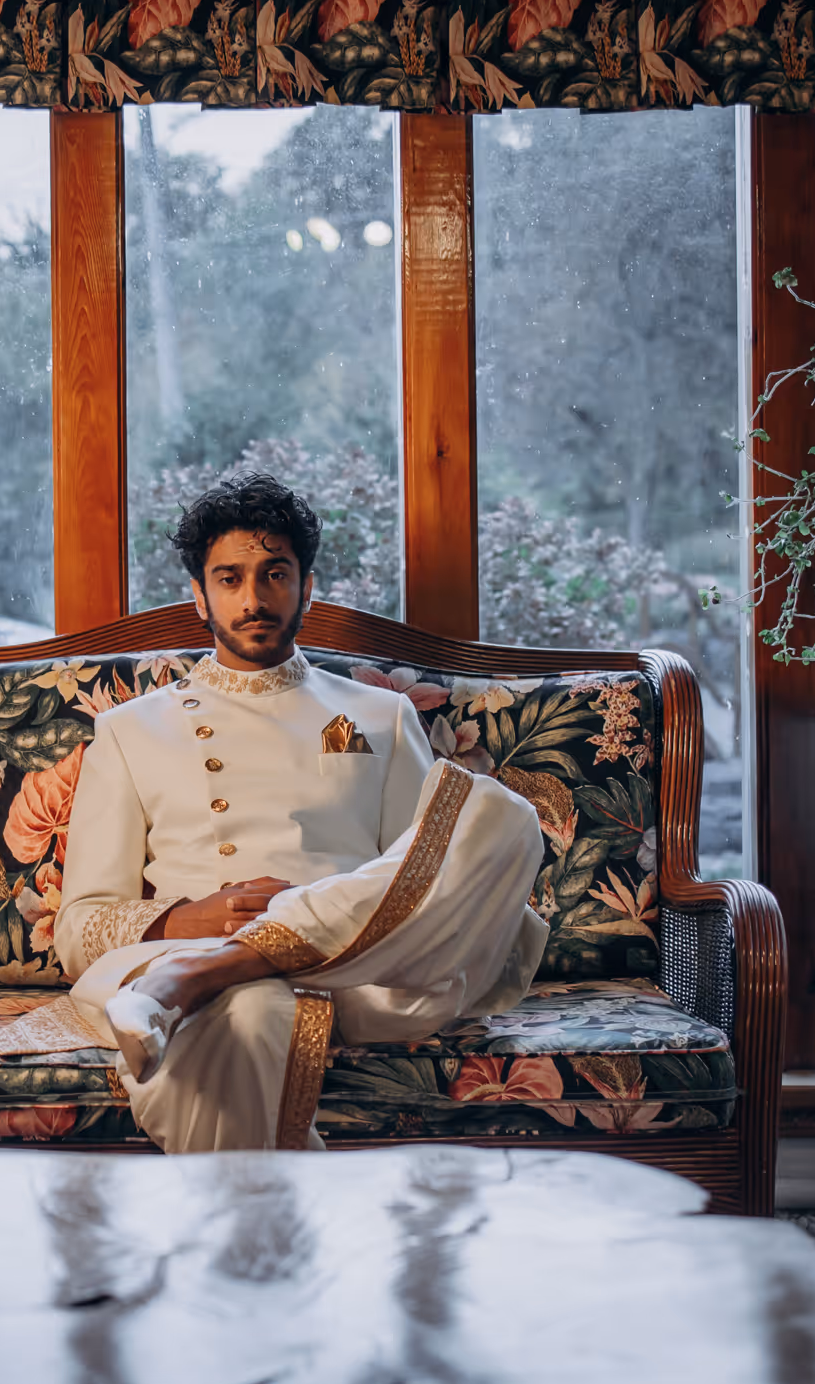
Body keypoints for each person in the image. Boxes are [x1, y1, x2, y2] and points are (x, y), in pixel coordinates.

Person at [51, 472, 547, 1152]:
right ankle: (263, 1237)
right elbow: (77, 929)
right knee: (254, 1007)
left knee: (502, 821)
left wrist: (305, 912)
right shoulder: (132, 731)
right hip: (193, 949)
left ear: (307, 586)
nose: (253, 599)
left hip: (358, 971)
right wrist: (189, 917)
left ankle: (190, 983)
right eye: (229, 579)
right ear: (198, 596)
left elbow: (420, 879)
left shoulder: (378, 713)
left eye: (274, 574)